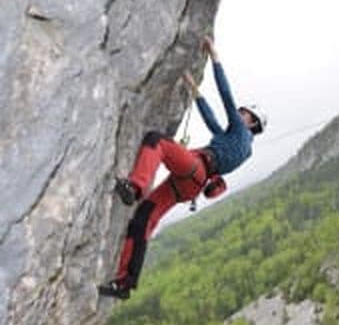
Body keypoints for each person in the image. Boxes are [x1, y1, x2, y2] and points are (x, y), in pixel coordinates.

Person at [99, 36, 267, 299]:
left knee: (157, 141)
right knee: (144, 218)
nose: (240, 113)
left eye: (245, 113)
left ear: (252, 122)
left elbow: (225, 95)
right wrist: (192, 88)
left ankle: (136, 185)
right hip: (191, 185)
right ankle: (125, 282)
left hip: (195, 169)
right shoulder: (241, 145)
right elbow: (212, 119)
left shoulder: (241, 133)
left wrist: (215, 56)